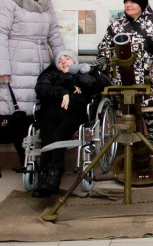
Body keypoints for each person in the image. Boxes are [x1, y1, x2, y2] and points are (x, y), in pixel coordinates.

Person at [0, 0, 65, 165]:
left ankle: (39, 160)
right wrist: (2, 70)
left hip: (40, 63)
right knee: (18, 114)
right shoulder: (9, 3)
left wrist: (63, 59)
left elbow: (54, 35)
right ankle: (25, 162)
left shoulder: (46, 4)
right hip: (16, 65)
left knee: (38, 113)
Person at [31, 51, 110, 198]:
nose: (63, 61)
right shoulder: (50, 73)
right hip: (53, 107)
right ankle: (43, 177)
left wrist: (76, 78)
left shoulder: (85, 70)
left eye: (67, 58)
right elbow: (41, 88)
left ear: (74, 61)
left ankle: (55, 176)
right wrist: (62, 91)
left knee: (59, 135)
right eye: (60, 60)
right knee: (47, 136)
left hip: (76, 109)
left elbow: (101, 83)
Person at [97, 0, 153, 149]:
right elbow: (103, 48)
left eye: (133, 2)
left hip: (148, 80)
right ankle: (130, 152)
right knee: (128, 118)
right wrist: (111, 60)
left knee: (152, 117)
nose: (128, 5)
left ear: (142, 4)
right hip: (123, 80)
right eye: (126, 2)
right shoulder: (116, 24)